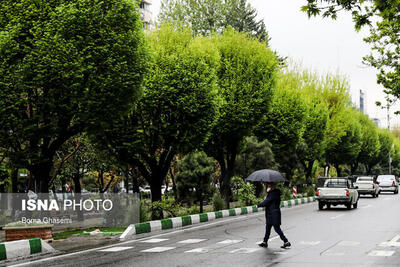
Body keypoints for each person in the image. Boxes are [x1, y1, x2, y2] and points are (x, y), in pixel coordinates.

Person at [257, 182, 291, 249]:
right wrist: (267, 195)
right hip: (271, 214)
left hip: (274, 214)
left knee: (277, 229)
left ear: (272, 186)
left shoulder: (273, 193)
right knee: (267, 228)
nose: (267, 187)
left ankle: (286, 241)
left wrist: (258, 205)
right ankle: (265, 242)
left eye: (269, 185)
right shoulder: (272, 193)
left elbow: (266, 202)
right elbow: (268, 202)